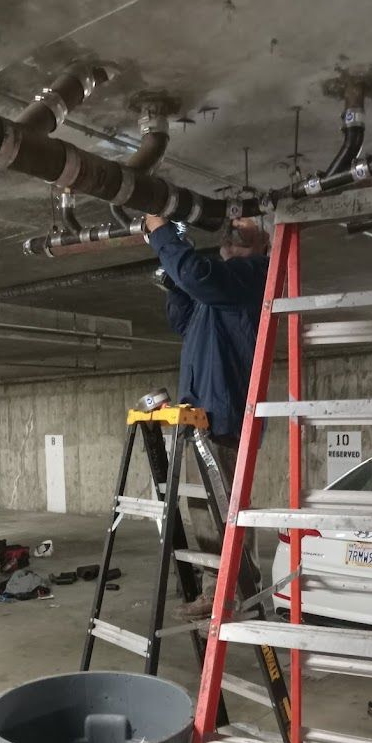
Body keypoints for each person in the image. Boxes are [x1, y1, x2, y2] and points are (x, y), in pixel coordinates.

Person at [144, 214, 270, 617]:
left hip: (226, 413)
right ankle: (220, 586)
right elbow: (183, 319)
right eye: (232, 221)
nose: (234, 225)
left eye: (247, 222)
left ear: (266, 239)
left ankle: (230, 589)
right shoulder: (218, 291)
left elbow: (198, 277)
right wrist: (174, 285)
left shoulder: (254, 273)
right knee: (205, 509)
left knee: (223, 507)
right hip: (201, 413)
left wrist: (163, 232)